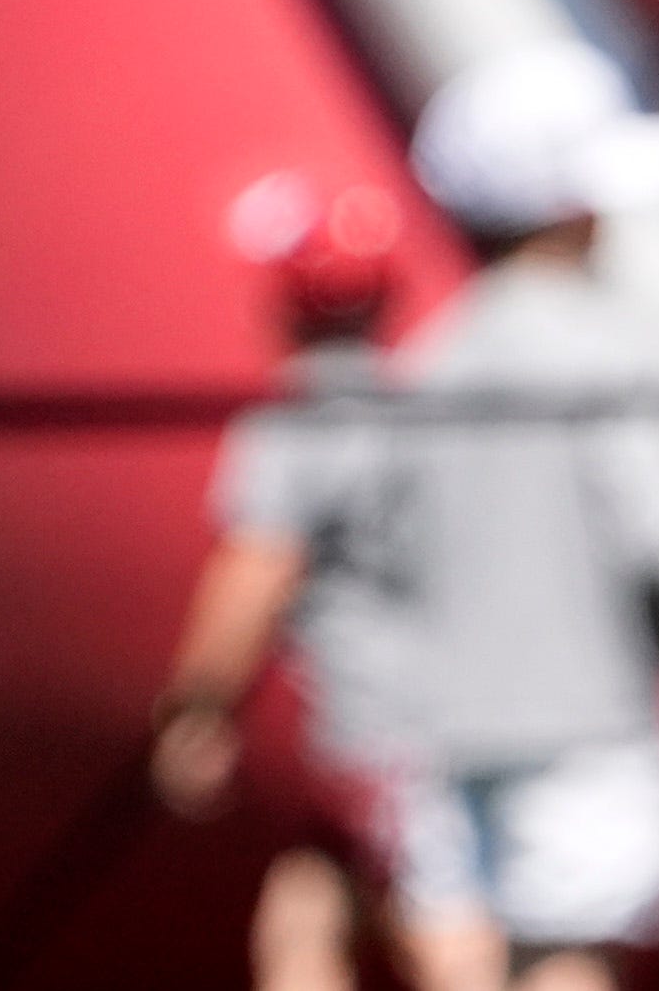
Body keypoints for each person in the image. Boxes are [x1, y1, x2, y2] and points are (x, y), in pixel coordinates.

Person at [391, 41, 659, 991]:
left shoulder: (430, 362)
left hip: (443, 728)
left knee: (462, 958)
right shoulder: (613, 348)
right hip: (591, 723)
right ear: (572, 207)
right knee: (568, 962)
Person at [153, 171, 424, 991]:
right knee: (303, 919)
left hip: (382, 733)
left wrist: (194, 711)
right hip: (443, 719)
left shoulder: (297, 430)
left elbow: (256, 571)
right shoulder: (434, 416)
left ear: (282, 304)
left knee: (443, 940)